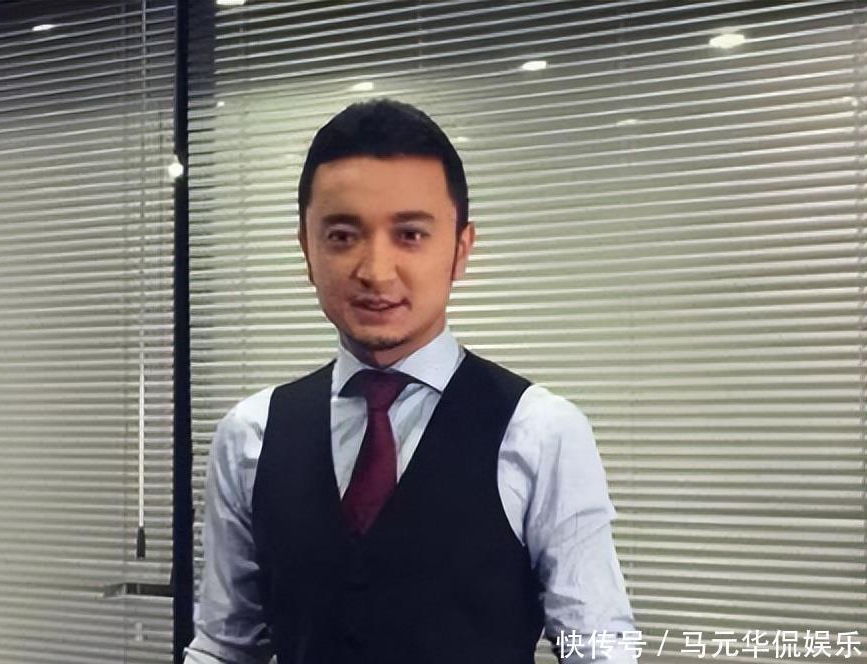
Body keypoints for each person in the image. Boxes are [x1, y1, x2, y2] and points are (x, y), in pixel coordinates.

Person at [185, 99, 637, 664]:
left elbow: (599, 646)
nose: (376, 271)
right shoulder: (250, 435)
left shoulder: (541, 430)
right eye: (342, 236)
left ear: (461, 250)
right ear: (306, 249)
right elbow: (224, 646)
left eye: (411, 235)